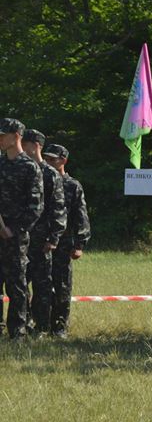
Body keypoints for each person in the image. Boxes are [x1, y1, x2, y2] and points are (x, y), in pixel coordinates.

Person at [0, 118, 44, 340]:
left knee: (17, 285)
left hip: (15, 237)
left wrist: (13, 230)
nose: (0, 139)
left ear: (16, 135)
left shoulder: (29, 167)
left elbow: (35, 207)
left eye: (3, 135)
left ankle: (17, 331)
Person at [42, 144, 90, 338]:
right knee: (41, 285)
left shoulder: (72, 185)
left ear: (63, 160)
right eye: (46, 159)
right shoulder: (41, 181)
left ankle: (60, 327)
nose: (48, 162)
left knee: (61, 286)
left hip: (63, 243)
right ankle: (41, 325)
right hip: (41, 240)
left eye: (53, 159)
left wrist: (80, 244)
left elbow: (81, 216)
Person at [21, 129, 66, 335]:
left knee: (42, 286)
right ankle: (24, 323)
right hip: (20, 238)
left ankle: (41, 326)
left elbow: (58, 208)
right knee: (20, 284)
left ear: (36, 145)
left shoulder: (50, 174)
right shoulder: (22, 169)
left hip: (41, 240)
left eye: (26, 143)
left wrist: (53, 237)